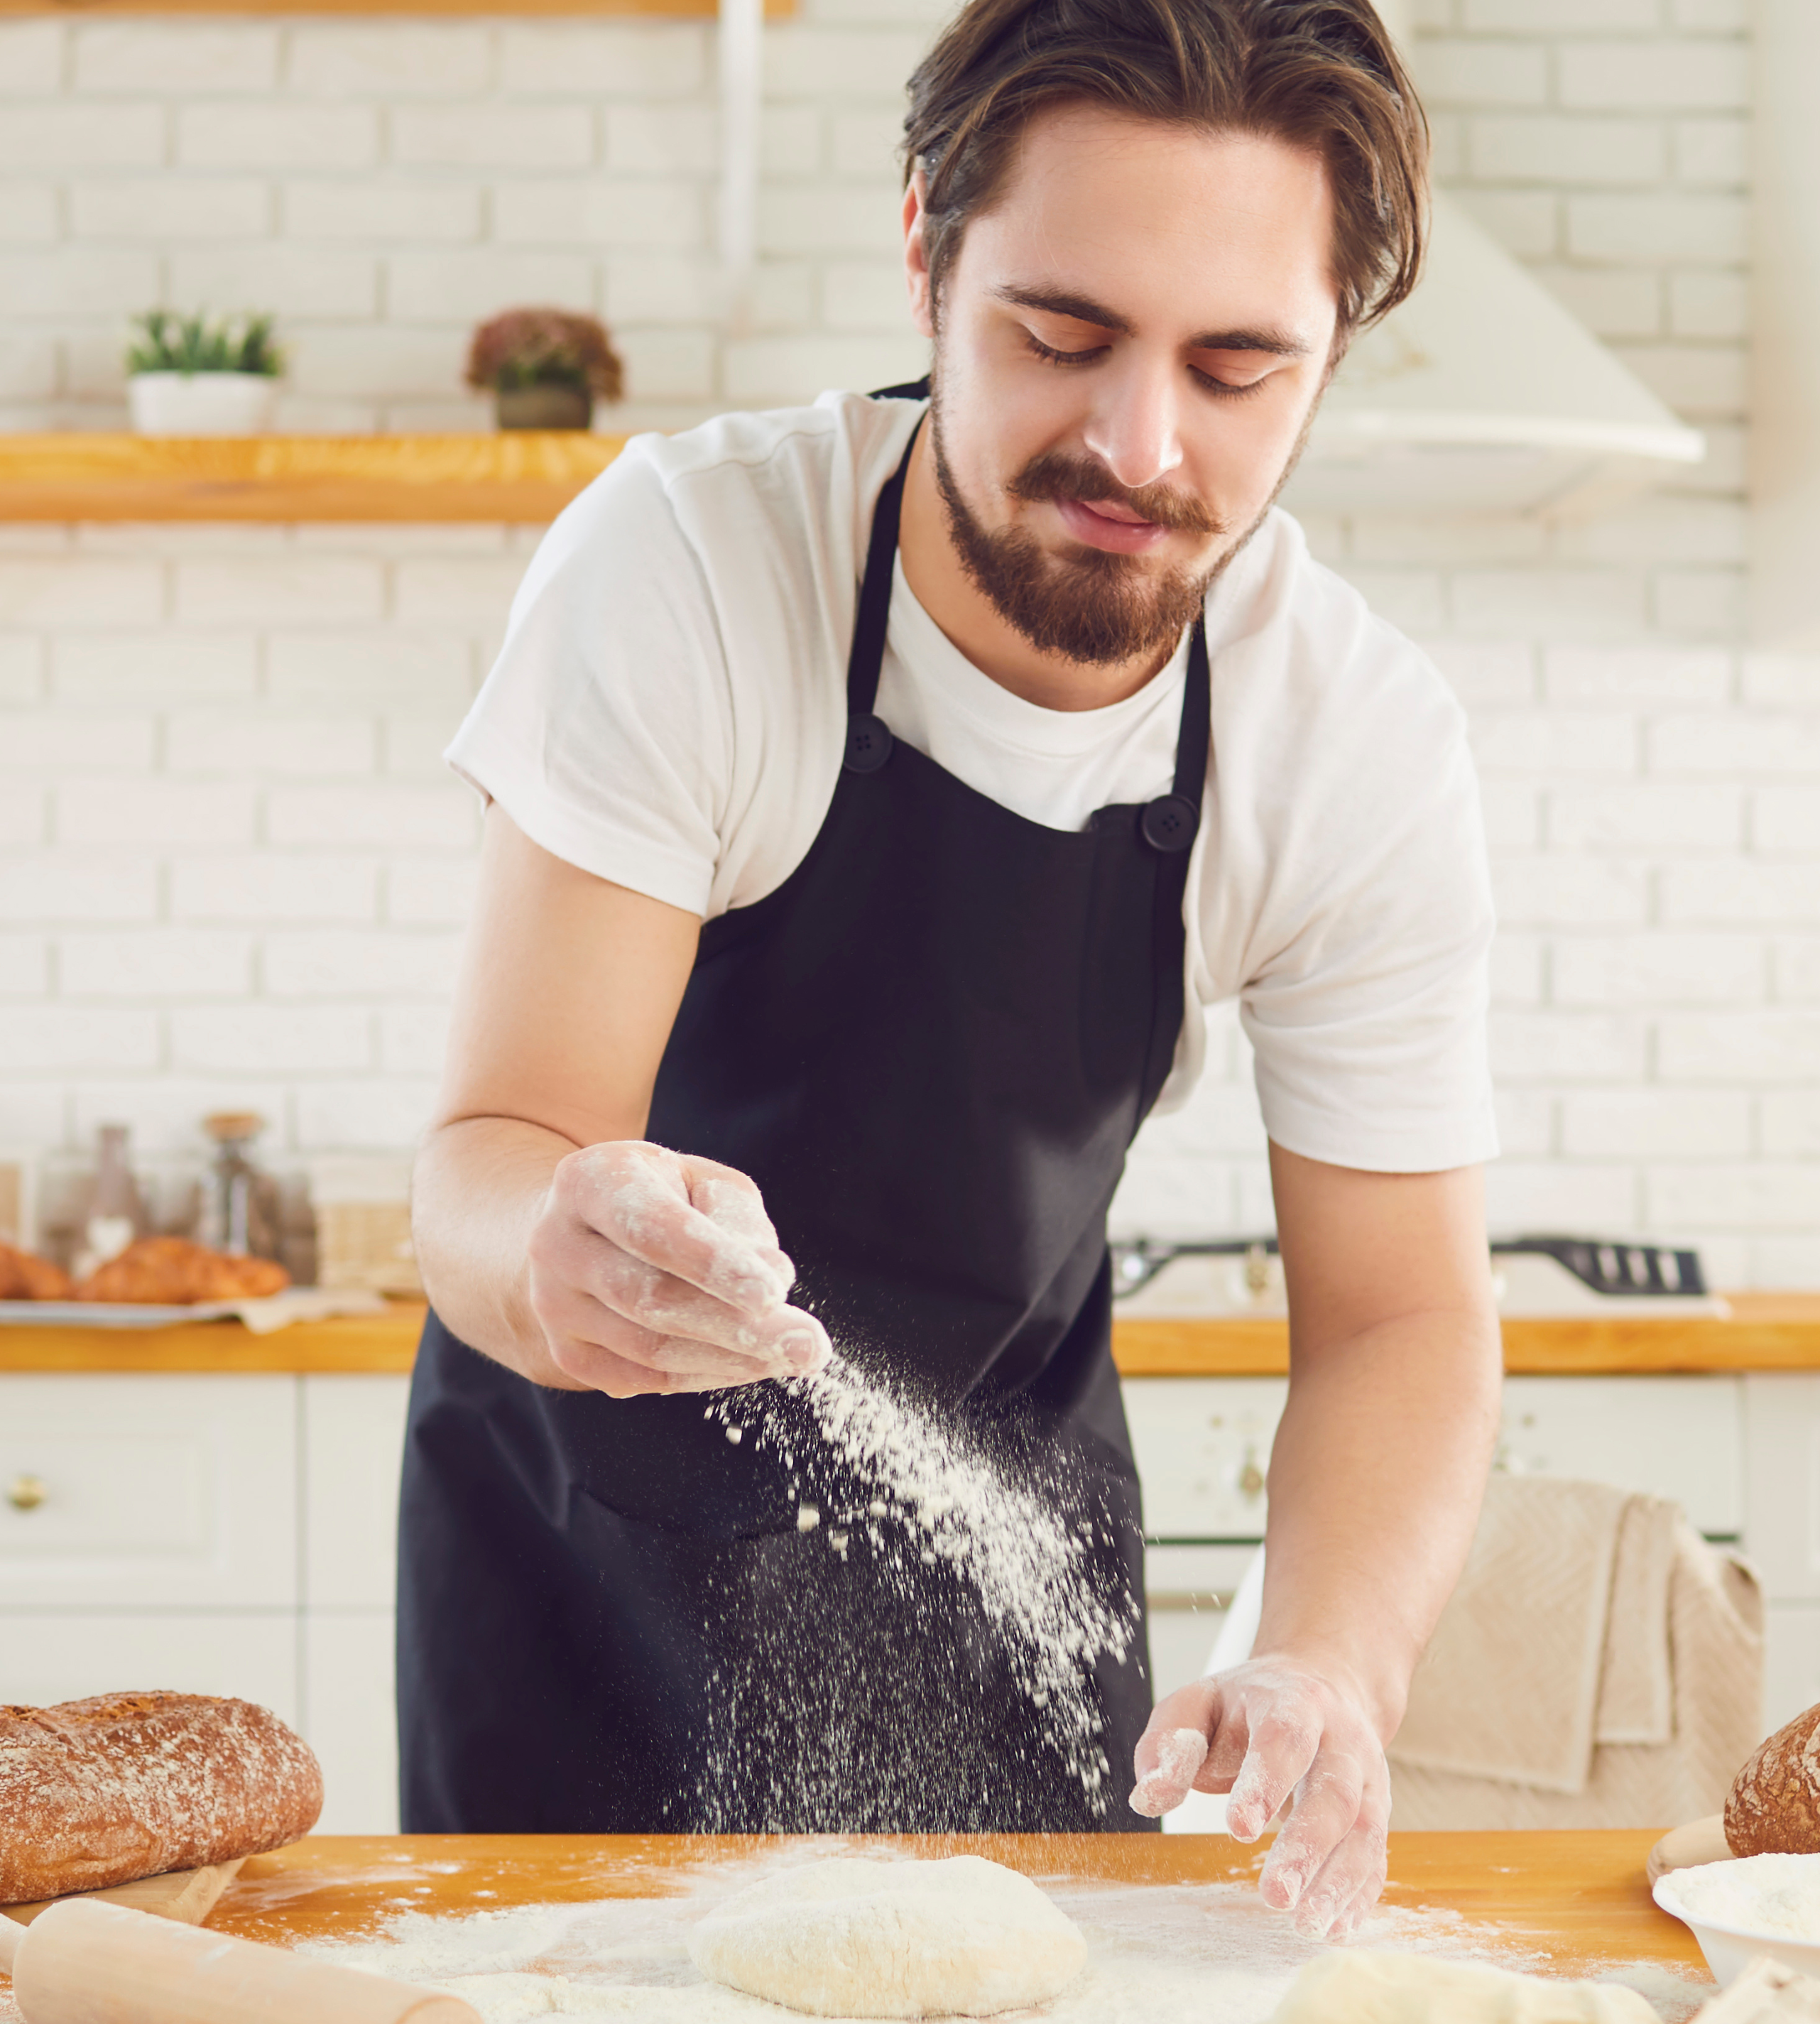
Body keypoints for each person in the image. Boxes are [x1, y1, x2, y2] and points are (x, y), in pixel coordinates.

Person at [398, 0, 1500, 1939]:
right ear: (925, 251)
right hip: (577, 1577)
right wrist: (553, 1241)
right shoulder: (691, 567)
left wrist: (1332, 1660)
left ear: (1333, 350)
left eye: (1238, 368)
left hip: (1002, 1570)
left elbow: (1403, 1317)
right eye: (1059, 336)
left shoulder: (1346, 740)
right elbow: (493, 1149)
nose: (1137, 445)